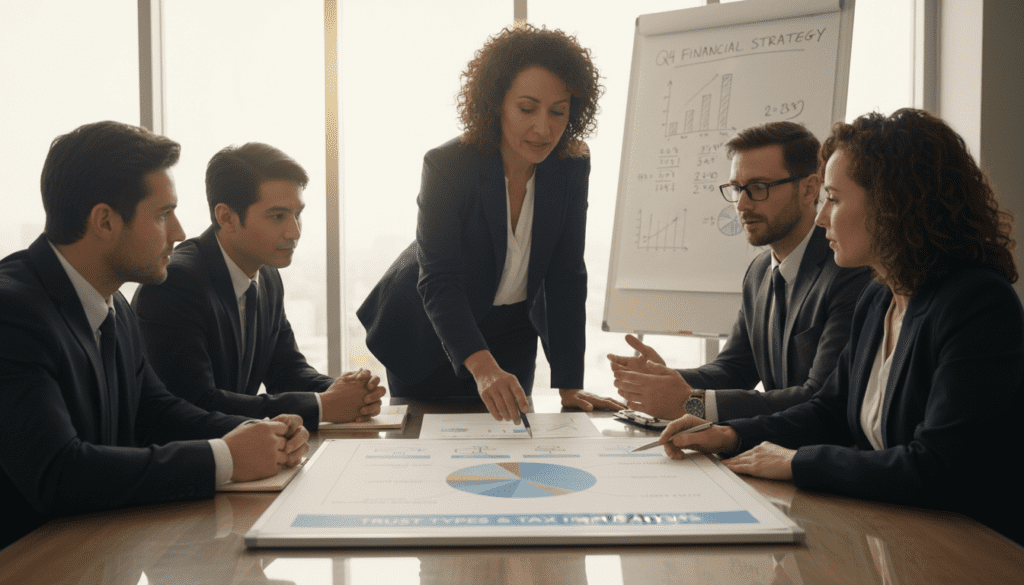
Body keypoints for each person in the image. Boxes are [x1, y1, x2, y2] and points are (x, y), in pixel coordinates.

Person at [658, 108, 1023, 544]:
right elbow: (828, 411)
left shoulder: (976, 303)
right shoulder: (879, 296)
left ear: (891, 204)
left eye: (833, 198)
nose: (820, 217)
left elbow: (937, 466)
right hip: (895, 531)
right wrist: (731, 434)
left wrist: (795, 463)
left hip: (970, 547)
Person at [0, 121, 309, 548]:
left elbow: (156, 413)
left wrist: (264, 432)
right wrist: (225, 458)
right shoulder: (12, 312)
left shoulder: (114, 306)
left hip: (94, 550)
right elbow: (58, 472)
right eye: (164, 214)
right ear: (105, 221)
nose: (180, 232)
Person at [357, 24, 624, 421]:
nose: (544, 128)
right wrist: (481, 369)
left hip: (512, 329)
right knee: (428, 452)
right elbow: (438, 279)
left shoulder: (571, 165)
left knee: (511, 449)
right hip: (430, 329)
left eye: (558, 111)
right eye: (527, 108)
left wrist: (570, 384)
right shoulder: (448, 165)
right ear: (496, 102)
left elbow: (566, 274)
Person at [609, 122, 872, 422]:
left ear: (809, 189)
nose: (742, 204)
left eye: (758, 188)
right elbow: (733, 371)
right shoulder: (760, 272)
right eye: (737, 189)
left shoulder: (847, 270)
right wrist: (666, 378)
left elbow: (818, 398)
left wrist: (690, 403)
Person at [132, 143, 385, 431]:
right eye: (278, 216)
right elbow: (195, 403)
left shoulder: (267, 275)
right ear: (226, 217)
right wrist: (323, 405)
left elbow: (286, 370)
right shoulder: (176, 283)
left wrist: (347, 392)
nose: (294, 232)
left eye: (297, 213)